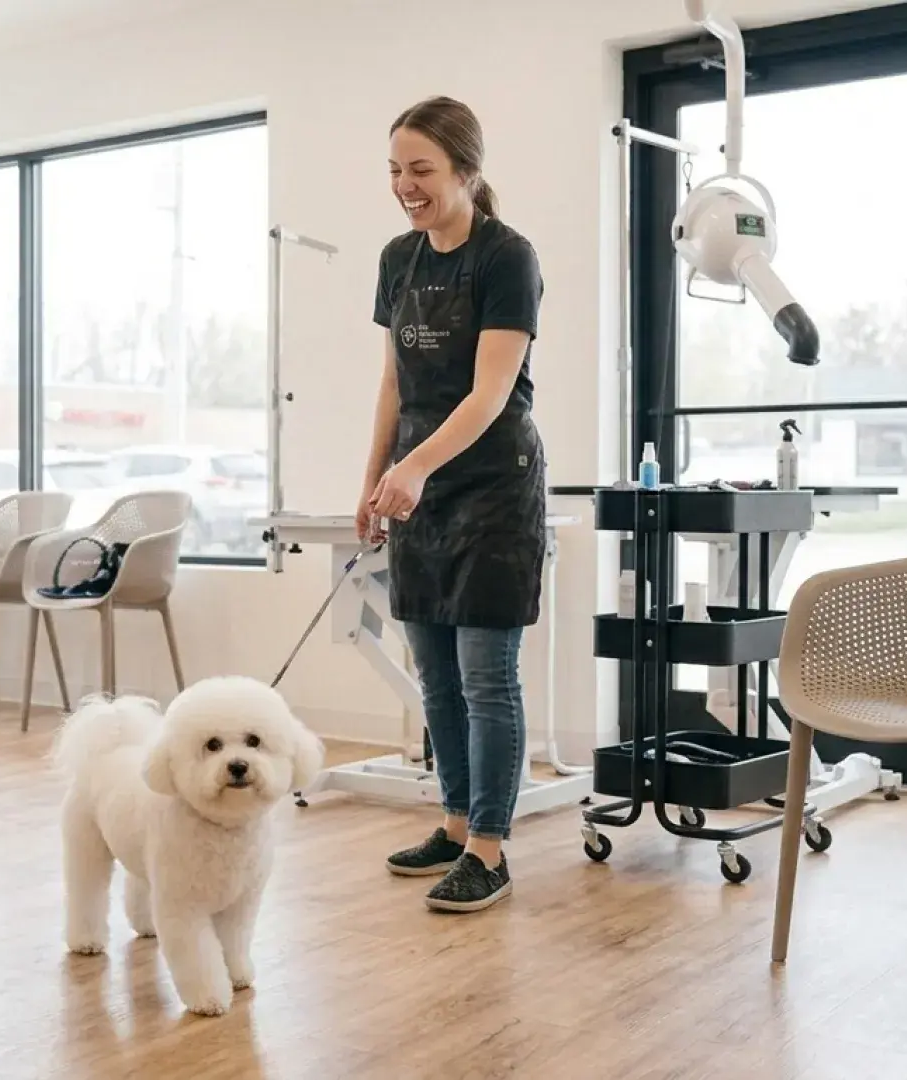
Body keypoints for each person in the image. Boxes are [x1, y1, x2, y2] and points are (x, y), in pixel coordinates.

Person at [359, 96, 547, 913]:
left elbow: (491, 392)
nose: (406, 185)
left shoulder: (509, 258)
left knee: (485, 680)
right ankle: (454, 820)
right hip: (421, 489)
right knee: (434, 678)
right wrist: (375, 479)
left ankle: (492, 849)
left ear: (466, 171)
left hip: (493, 490)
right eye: (397, 170)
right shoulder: (398, 259)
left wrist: (417, 467)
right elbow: (395, 384)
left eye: (422, 170)